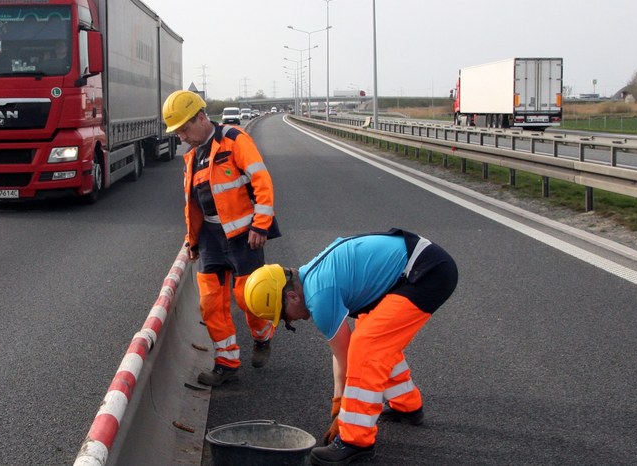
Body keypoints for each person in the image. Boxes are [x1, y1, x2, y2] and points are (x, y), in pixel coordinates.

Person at [243, 229, 458, 466]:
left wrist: (343, 411)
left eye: (284, 316)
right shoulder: (311, 278)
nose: (291, 321)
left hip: (427, 272)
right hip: (420, 265)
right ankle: (406, 406)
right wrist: (338, 403)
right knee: (375, 336)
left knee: (367, 347)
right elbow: (341, 351)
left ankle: (355, 441)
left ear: (292, 296)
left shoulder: (319, 297)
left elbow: (347, 356)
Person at [161, 89, 280, 386]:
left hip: (244, 236)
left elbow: (261, 180)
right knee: (211, 303)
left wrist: (261, 224)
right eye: (177, 133)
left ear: (201, 118)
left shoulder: (235, 140)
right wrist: (193, 241)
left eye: (184, 129)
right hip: (212, 238)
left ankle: (262, 337)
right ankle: (227, 363)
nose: (182, 137)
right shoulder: (191, 157)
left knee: (247, 297)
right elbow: (194, 204)